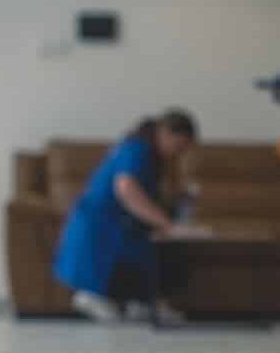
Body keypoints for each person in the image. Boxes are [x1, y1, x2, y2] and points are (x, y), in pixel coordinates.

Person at [54, 109, 199, 324]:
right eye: (178, 147)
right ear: (166, 133)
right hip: (102, 224)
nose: (177, 154)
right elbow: (126, 188)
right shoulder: (136, 150)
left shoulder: (150, 155)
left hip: (125, 224)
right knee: (136, 247)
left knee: (146, 249)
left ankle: (141, 303)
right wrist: (167, 224)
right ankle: (93, 297)